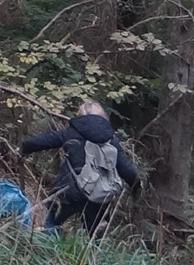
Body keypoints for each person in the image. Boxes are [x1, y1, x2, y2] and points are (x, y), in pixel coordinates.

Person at [21, 100, 137, 235]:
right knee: (93, 235)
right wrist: (136, 187)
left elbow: (43, 141)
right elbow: (127, 170)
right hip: (99, 195)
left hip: (69, 191)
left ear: (80, 116)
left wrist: (23, 148)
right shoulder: (111, 140)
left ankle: (49, 246)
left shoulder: (71, 133)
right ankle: (89, 254)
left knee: (53, 222)